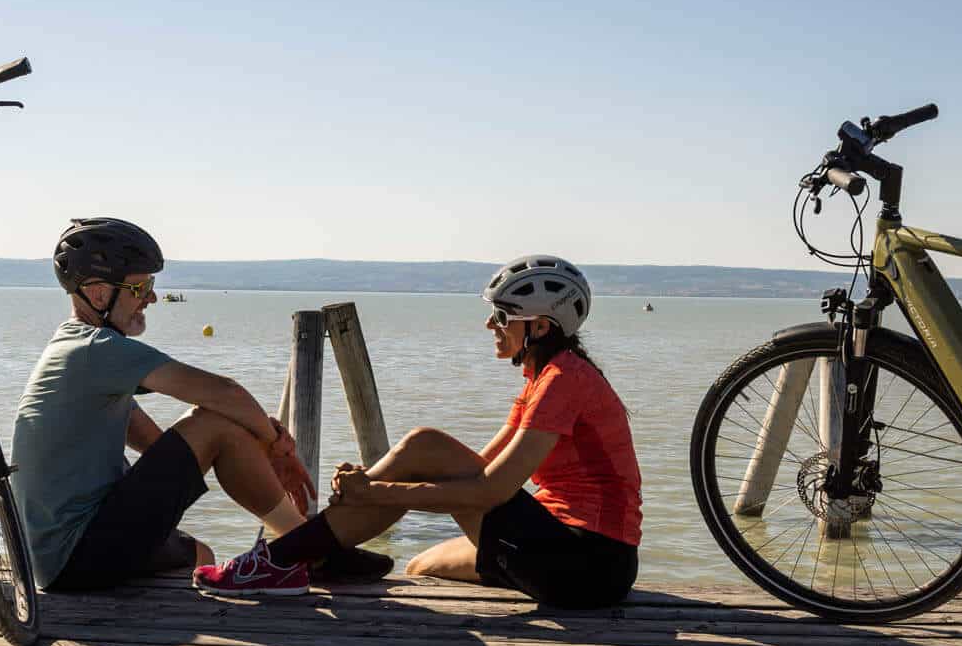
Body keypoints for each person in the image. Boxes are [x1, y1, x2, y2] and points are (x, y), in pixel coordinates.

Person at [196, 255, 642, 609]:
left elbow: (486, 492)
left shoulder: (564, 381)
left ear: (540, 326)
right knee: (419, 565)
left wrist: (375, 491)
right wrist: (372, 483)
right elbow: (477, 473)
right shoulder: (544, 379)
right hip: (569, 556)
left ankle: (279, 560)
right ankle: (318, 551)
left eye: (503, 316)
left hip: (587, 564)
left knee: (426, 444)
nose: (491, 325)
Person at [11, 217, 322, 592]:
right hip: (77, 553)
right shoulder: (96, 348)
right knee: (214, 421)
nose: (152, 298)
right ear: (97, 293)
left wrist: (244, 451)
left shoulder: (74, 346)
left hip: (60, 559)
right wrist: (278, 449)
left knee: (200, 555)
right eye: (141, 287)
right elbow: (224, 392)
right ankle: (312, 549)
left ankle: (305, 549)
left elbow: (144, 434)